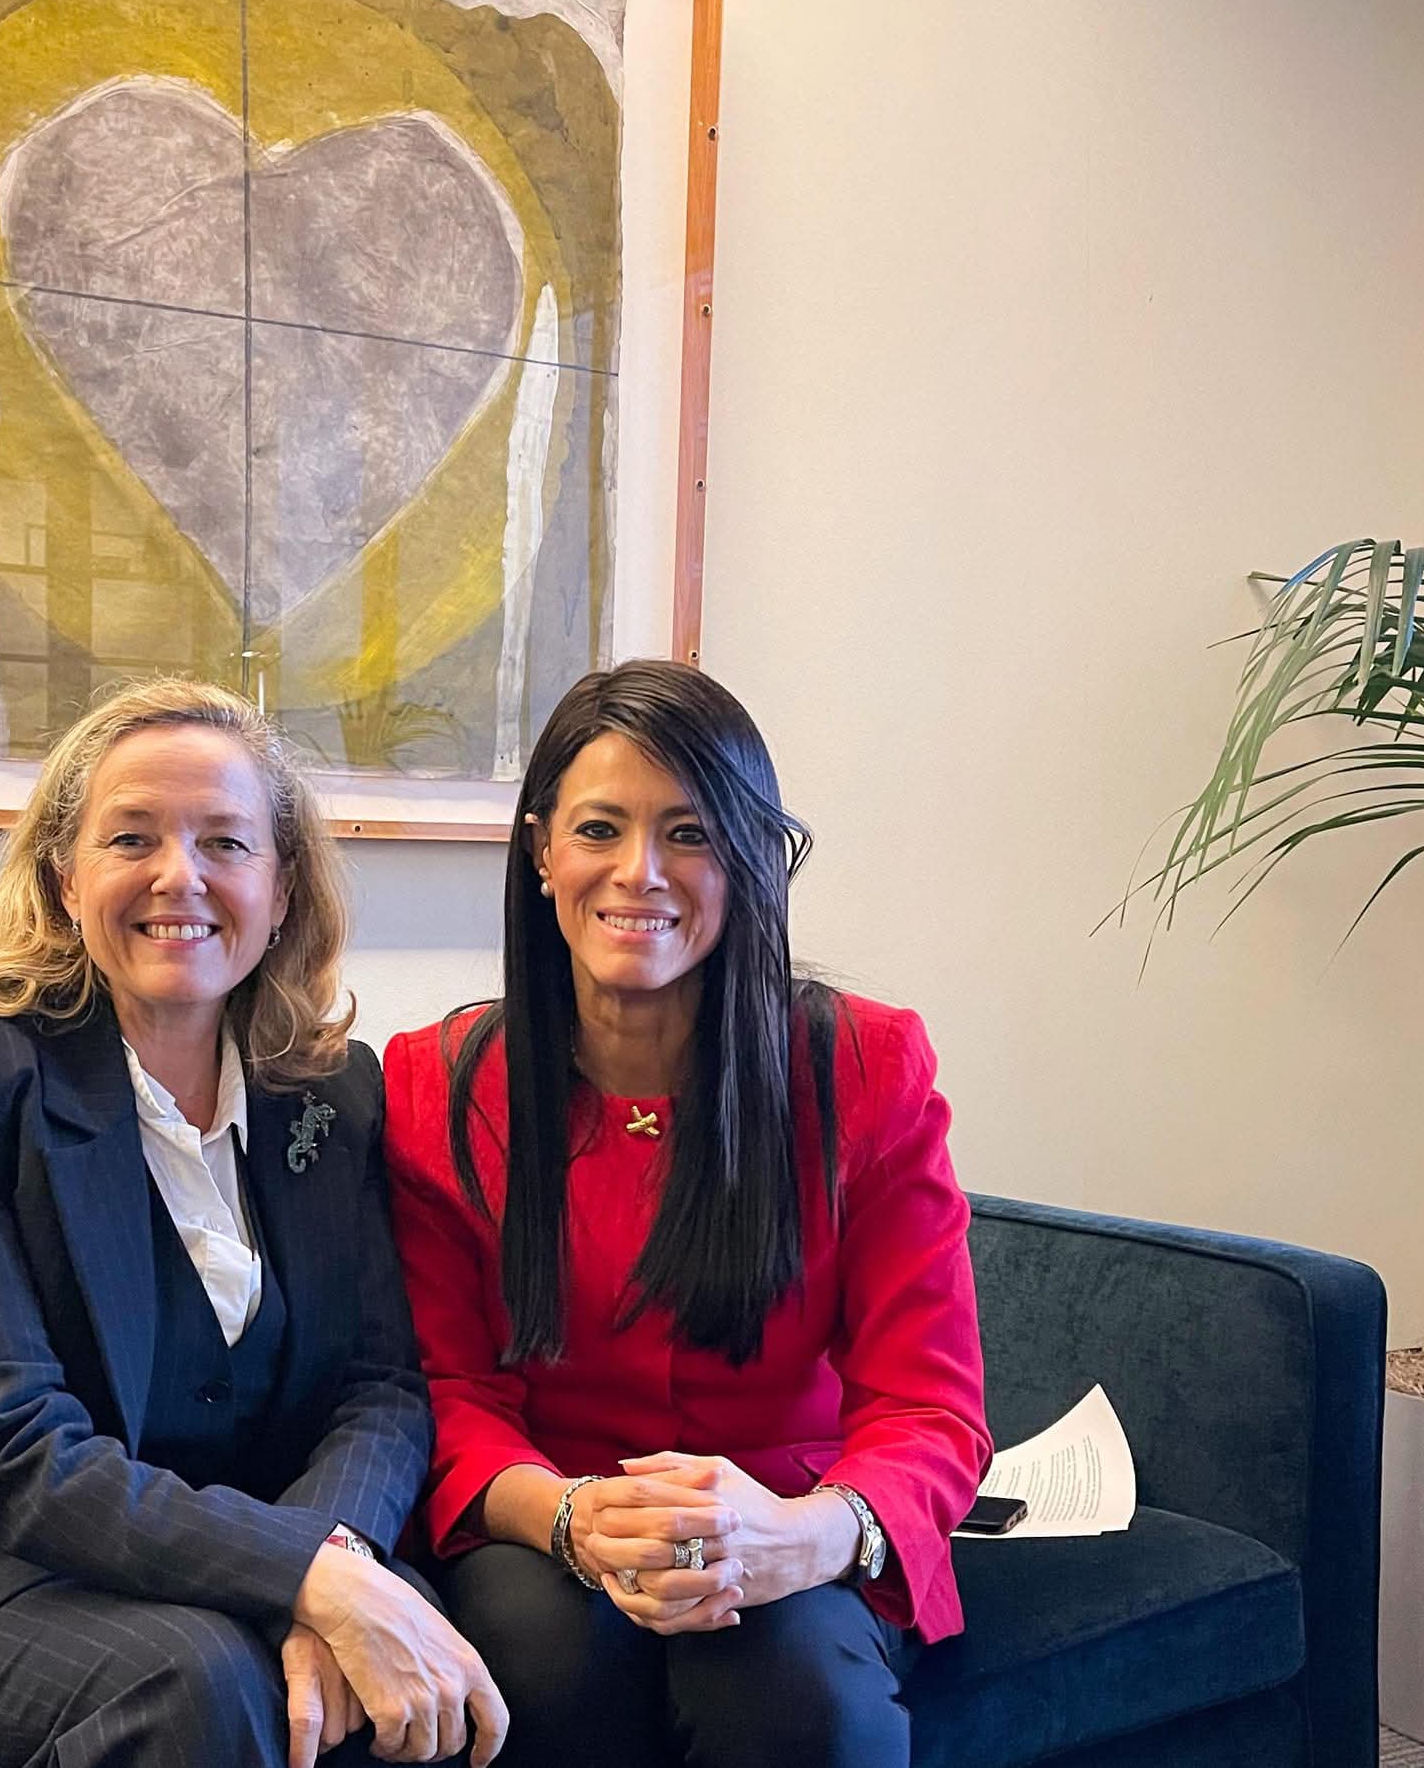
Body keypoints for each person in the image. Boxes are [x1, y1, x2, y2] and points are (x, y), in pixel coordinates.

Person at [0, 678, 507, 1768]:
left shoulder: (331, 1091)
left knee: (426, 1652)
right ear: (64, 879)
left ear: (280, 890)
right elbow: (14, 1453)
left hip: (205, 1580)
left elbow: (380, 1387)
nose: (180, 875)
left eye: (225, 842)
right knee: (202, 1678)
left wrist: (340, 1567)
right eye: (132, 837)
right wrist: (307, 1573)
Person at [382, 661, 989, 1768]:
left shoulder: (864, 1066)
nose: (640, 872)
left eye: (689, 834)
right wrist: (569, 1516)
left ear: (747, 855)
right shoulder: (438, 1086)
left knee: (799, 1700)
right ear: (541, 852)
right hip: (544, 1512)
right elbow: (449, 1392)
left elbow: (927, 1406)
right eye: (599, 829)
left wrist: (805, 1535)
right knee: (540, 1664)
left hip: (792, 1509)